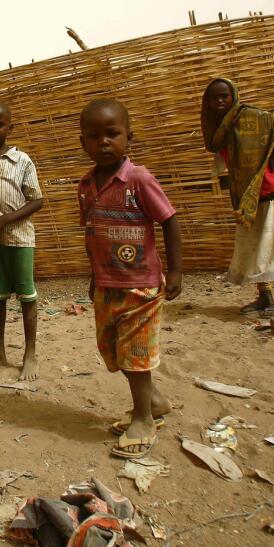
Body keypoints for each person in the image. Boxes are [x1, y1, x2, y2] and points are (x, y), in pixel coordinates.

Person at [78, 98, 182, 459]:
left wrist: (176, 270)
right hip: (107, 284)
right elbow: (93, 233)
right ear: (83, 143)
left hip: (141, 285)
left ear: (129, 138)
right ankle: (153, 400)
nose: (103, 142)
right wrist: (95, 275)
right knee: (113, 350)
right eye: (94, 136)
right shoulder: (87, 184)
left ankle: (143, 419)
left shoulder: (138, 178)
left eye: (112, 134)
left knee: (136, 353)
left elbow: (169, 220)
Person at [201, 79, 274, 318]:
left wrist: (269, 155)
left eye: (225, 96)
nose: (220, 101)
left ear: (234, 95)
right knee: (254, 244)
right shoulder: (220, 127)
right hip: (245, 194)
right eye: (214, 98)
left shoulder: (248, 115)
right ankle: (264, 295)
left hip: (270, 190)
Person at [0, 101, 45, 382]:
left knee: (26, 297)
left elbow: (38, 199)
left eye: (0, 124)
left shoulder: (21, 160)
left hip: (19, 239)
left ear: (10, 127)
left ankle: (30, 353)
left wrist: (4, 219)